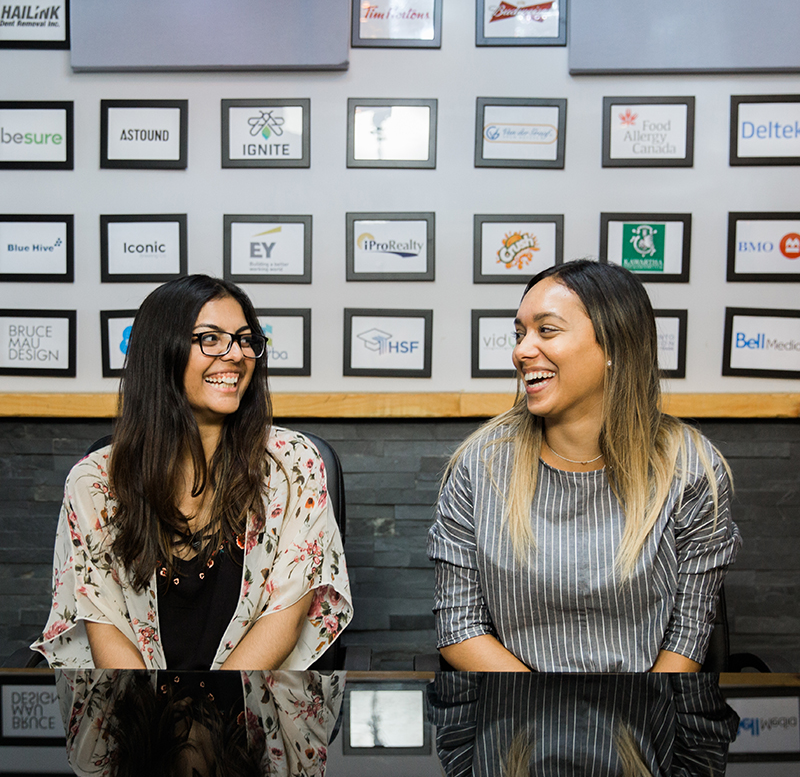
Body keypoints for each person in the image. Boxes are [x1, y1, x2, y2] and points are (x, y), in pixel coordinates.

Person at [428, 259, 741, 672]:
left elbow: (689, 636)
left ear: (613, 345)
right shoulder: (479, 466)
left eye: (547, 330)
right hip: (517, 720)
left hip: (644, 719)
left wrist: (631, 727)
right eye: (520, 333)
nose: (522, 350)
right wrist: (545, 717)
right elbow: (459, 628)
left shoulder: (689, 469)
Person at [34, 275, 352, 669]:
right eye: (211, 339)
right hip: (141, 717)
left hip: (251, 713)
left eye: (245, 339)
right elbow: (107, 631)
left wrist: (212, 723)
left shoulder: (294, 466)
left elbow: (282, 622)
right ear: (161, 351)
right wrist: (155, 727)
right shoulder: (94, 483)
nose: (236, 355)